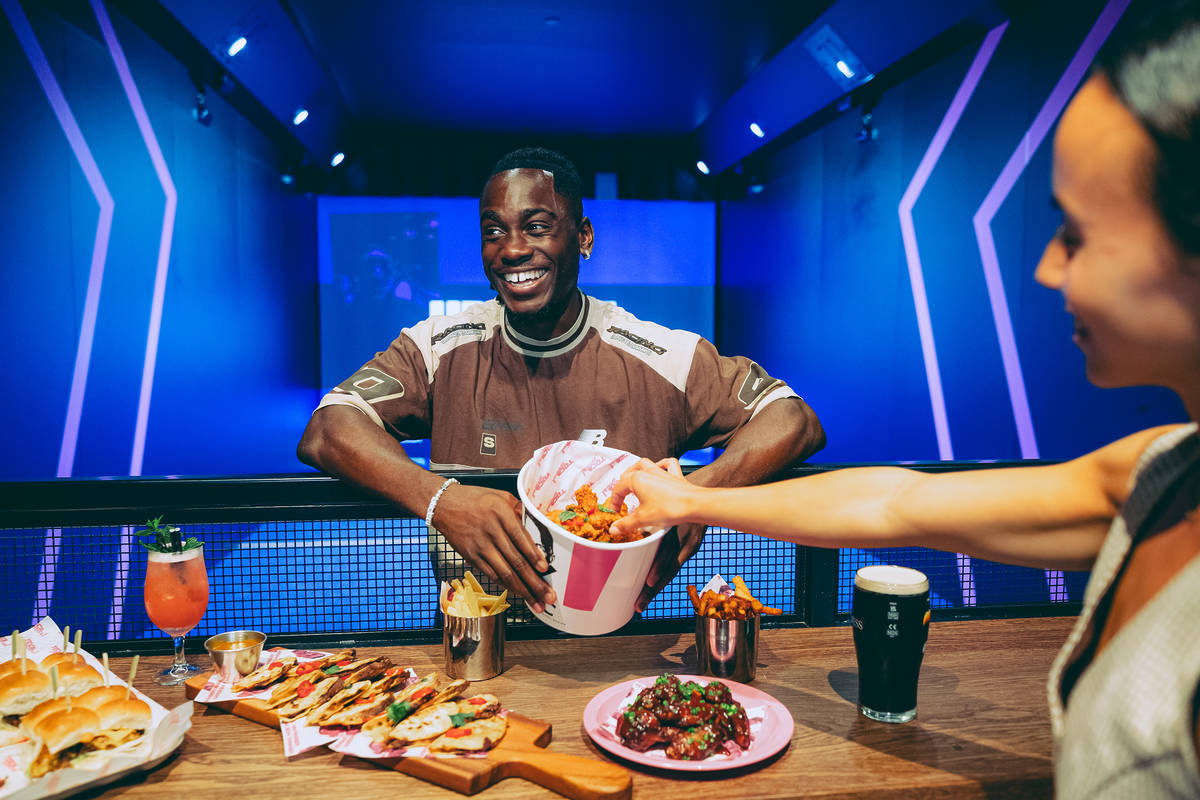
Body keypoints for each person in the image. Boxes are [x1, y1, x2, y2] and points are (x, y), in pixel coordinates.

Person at [607, 4, 1200, 796]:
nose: (1047, 271)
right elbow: (895, 504)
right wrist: (682, 499)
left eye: (1078, 234)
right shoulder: (1163, 474)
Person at [297, 147, 826, 615]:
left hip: (616, 646)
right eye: (494, 231)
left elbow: (793, 420)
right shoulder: (438, 349)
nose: (512, 249)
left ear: (584, 237)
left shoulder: (662, 356)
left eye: (537, 225)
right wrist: (442, 499)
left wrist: (699, 496)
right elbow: (327, 430)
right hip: (479, 645)